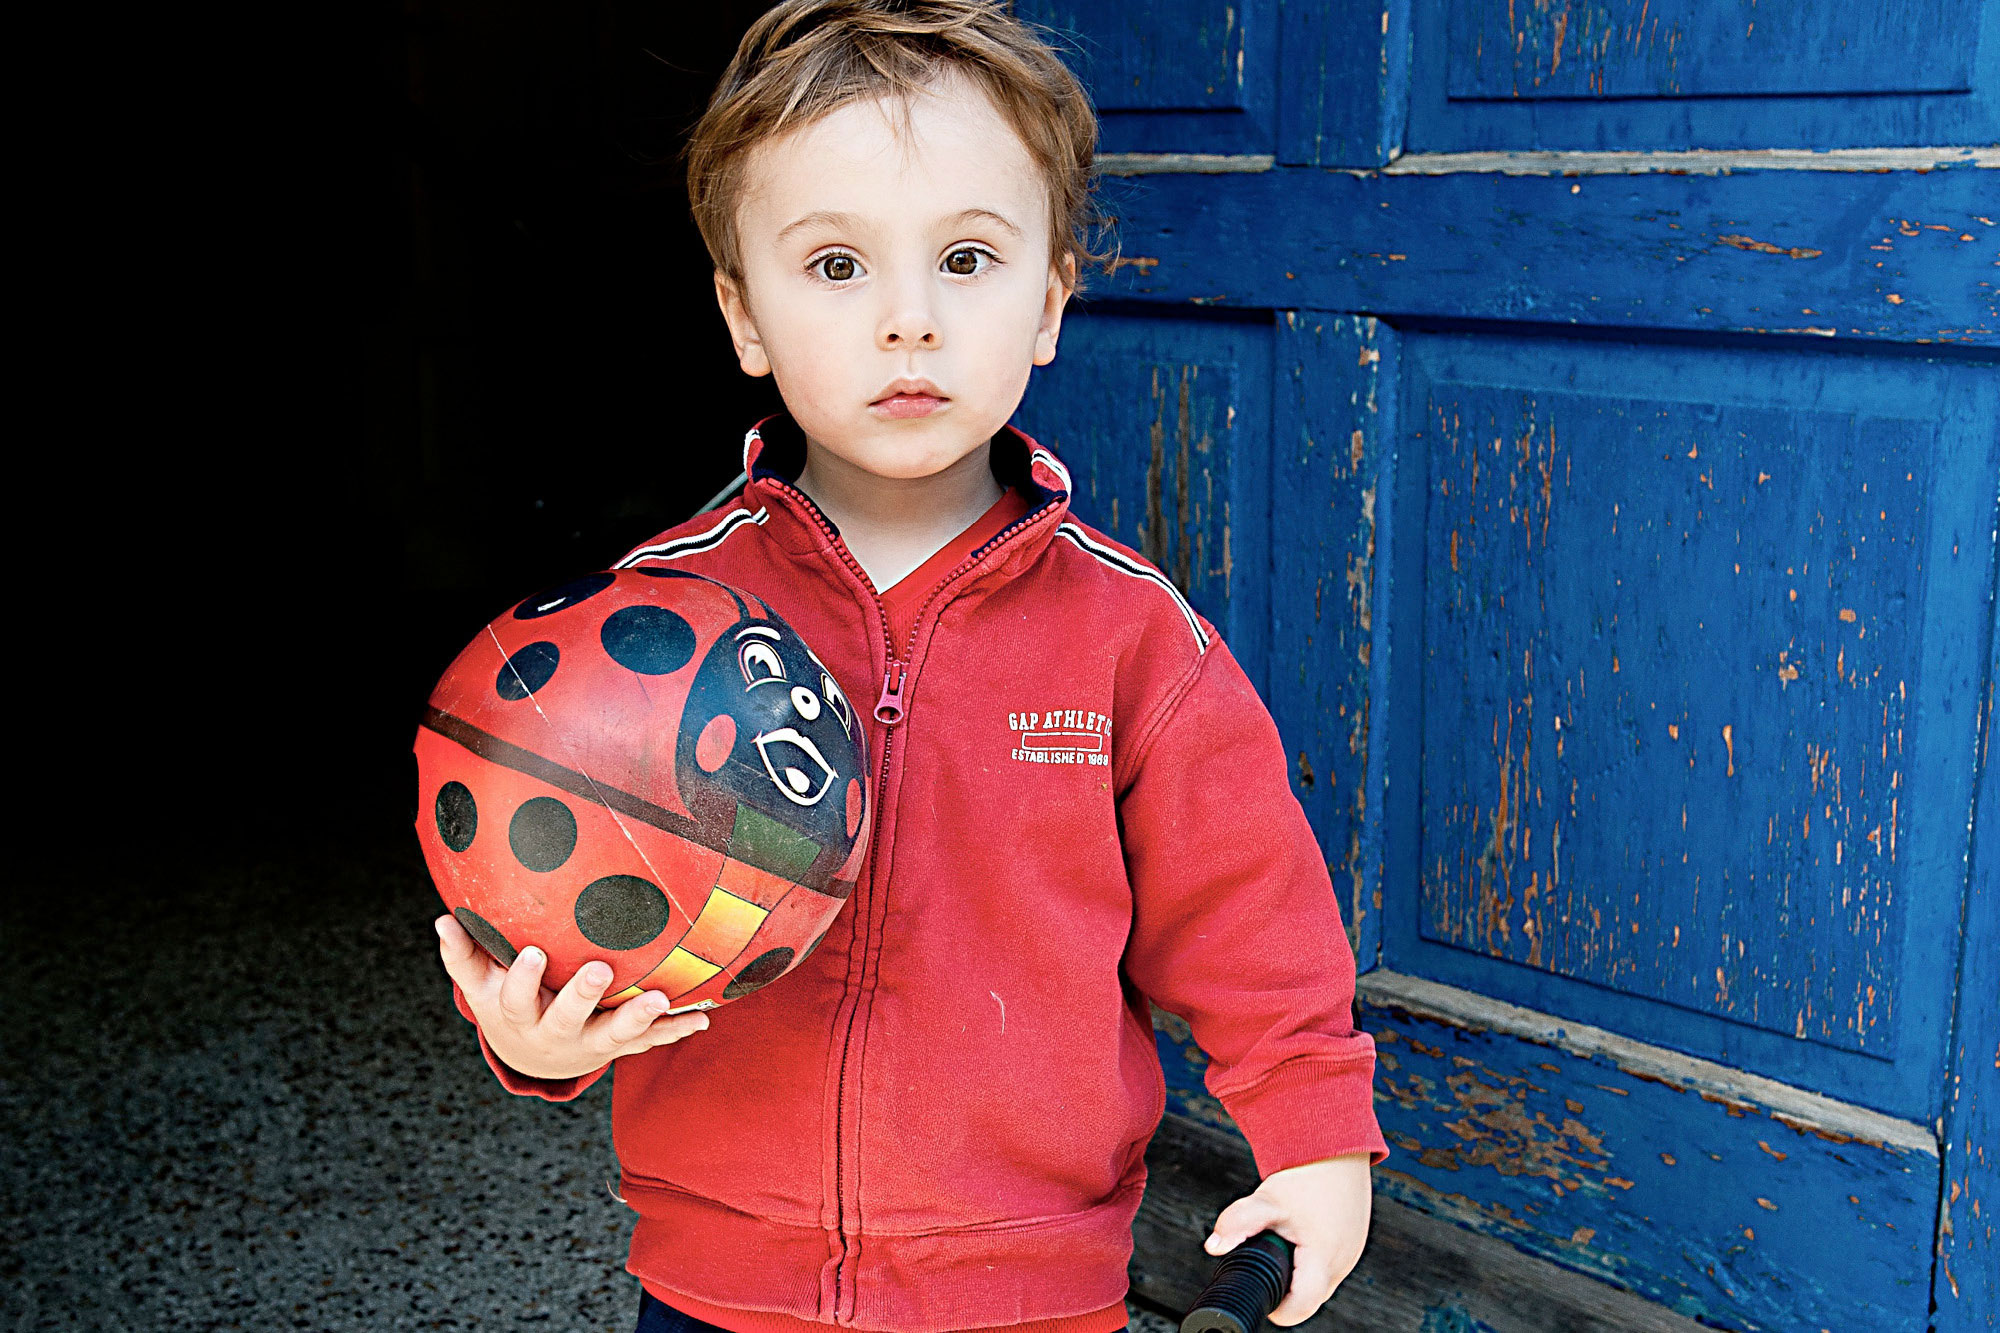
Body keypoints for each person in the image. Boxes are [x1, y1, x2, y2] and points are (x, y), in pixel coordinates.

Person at [432, 3, 1387, 1330]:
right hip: (721, 1290)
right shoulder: (649, 621)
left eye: (968, 259)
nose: (907, 322)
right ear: (742, 314)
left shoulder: (1133, 638)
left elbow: (1250, 912)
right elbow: (567, 895)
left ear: (1052, 301)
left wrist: (1317, 1133)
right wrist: (532, 1039)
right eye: (834, 266)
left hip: (1031, 1291)